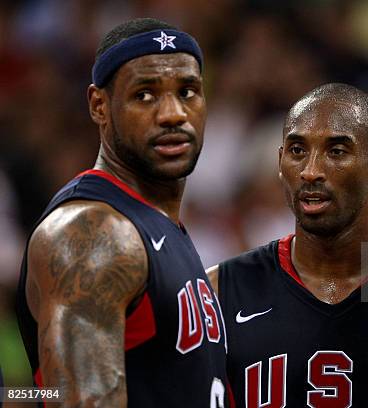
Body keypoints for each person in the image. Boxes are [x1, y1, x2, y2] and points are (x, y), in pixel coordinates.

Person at [16, 18, 228, 407]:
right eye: (145, 95)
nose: (172, 114)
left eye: (188, 91)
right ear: (100, 106)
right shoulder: (92, 231)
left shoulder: (157, 226)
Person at [207, 83, 368, 407]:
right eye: (297, 151)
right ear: (280, 162)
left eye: (336, 151)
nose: (311, 171)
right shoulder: (220, 290)